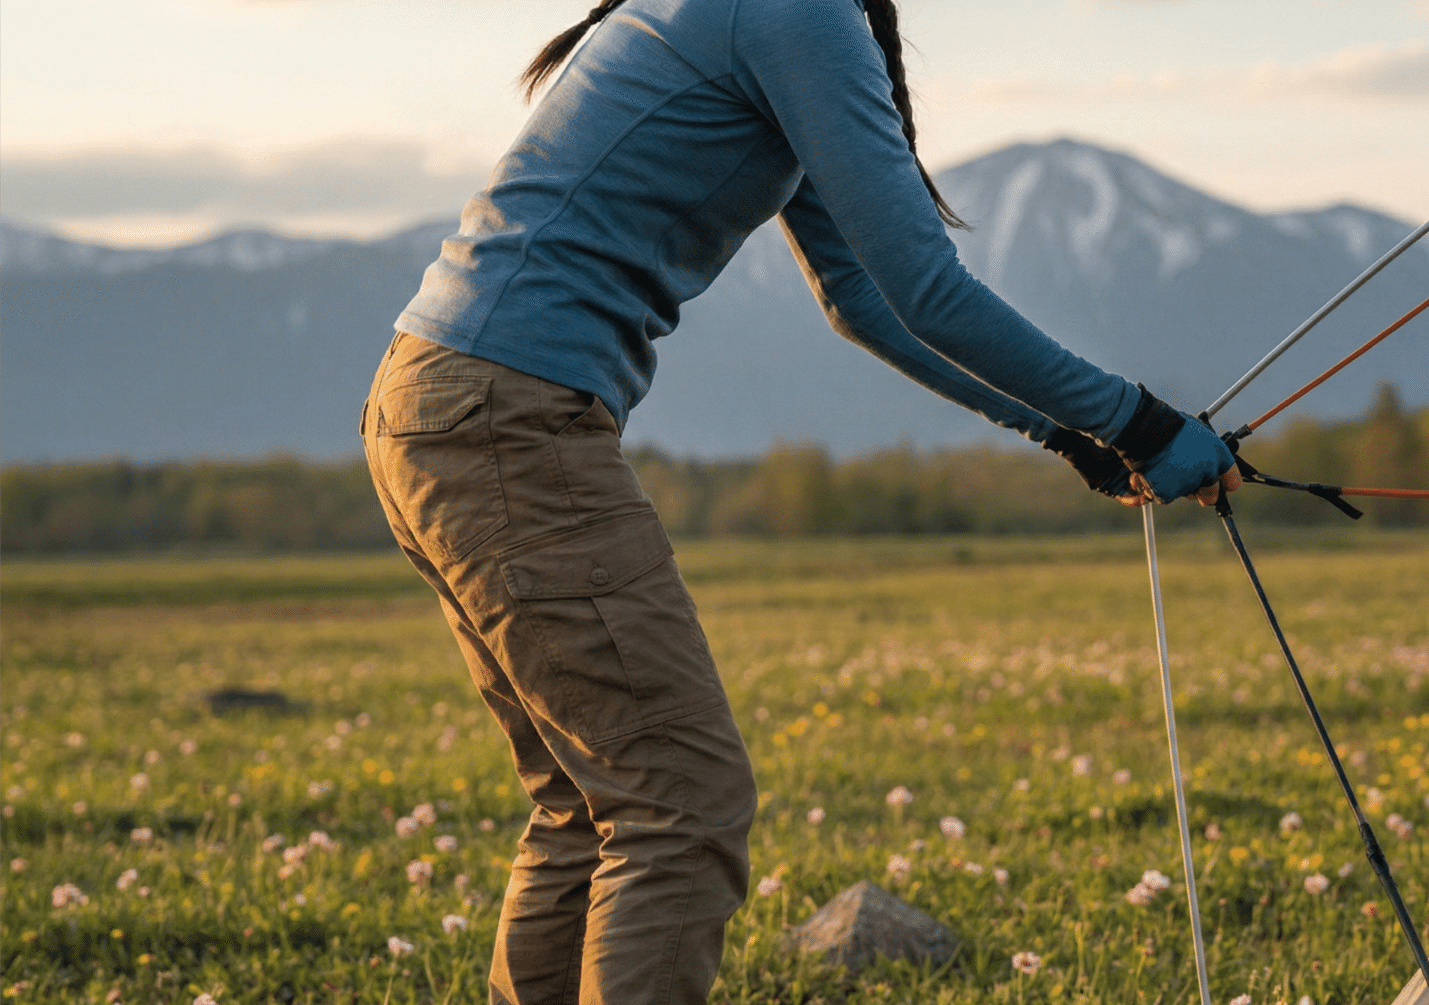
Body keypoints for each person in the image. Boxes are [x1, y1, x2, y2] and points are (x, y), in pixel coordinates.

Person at [360, 0, 1239, 1001]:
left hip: (441, 397)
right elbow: (924, 286)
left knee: (589, 803)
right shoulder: (795, 10)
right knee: (680, 805)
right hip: (504, 414)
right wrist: (1139, 421)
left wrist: (1066, 429)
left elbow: (864, 299)